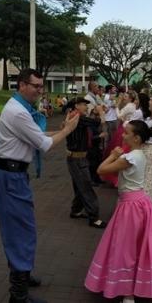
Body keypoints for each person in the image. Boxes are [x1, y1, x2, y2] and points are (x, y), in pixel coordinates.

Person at [0, 68, 79, 303]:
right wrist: (68, 130)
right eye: (36, 86)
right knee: (21, 231)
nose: (40, 91)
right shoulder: (18, 112)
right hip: (10, 177)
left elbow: (35, 136)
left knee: (20, 228)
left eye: (41, 86)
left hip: (11, 175)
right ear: (21, 85)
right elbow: (44, 144)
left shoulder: (19, 108)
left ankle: (21, 275)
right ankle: (18, 295)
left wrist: (60, 130)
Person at [85, 120, 152, 302]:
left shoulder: (130, 158)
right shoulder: (139, 154)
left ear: (136, 137)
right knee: (139, 245)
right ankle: (135, 287)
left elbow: (101, 170)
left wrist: (112, 155)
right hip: (139, 203)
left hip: (131, 207)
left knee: (127, 248)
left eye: (126, 133)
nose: (123, 135)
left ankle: (128, 292)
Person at [65, 97, 107, 228]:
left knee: (79, 186)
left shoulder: (75, 116)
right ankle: (94, 217)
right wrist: (100, 113)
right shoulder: (77, 117)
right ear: (76, 106)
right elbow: (96, 123)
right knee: (86, 186)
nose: (86, 107)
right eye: (84, 104)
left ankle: (76, 210)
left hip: (77, 158)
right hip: (77, 159)